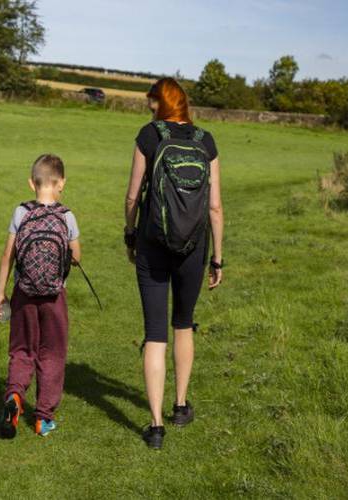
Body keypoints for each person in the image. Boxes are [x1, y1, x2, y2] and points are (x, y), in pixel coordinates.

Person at [123, 78, 224, 449]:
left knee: (154, 333)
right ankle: (180, 406)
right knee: (183, 324)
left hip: (153, 244)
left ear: (158, 103)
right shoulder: (206, 141)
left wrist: (130, 234)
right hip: (194, 247)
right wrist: (217, 258)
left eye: (151, 102)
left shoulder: (149, 137)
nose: (149, 107)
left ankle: (155, 427)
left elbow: (134, 195)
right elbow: (214, 206)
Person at [0, 154, 81, 438]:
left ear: (32, 183)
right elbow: (76, 256)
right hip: (55, 296)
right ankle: (43, 417)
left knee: (22, 349)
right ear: (61, 183)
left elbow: (8, 255)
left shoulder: (21, 213)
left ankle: (15, 397)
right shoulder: (67, 216)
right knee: (52, 352)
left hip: (23, 292)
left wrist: (0, 294)